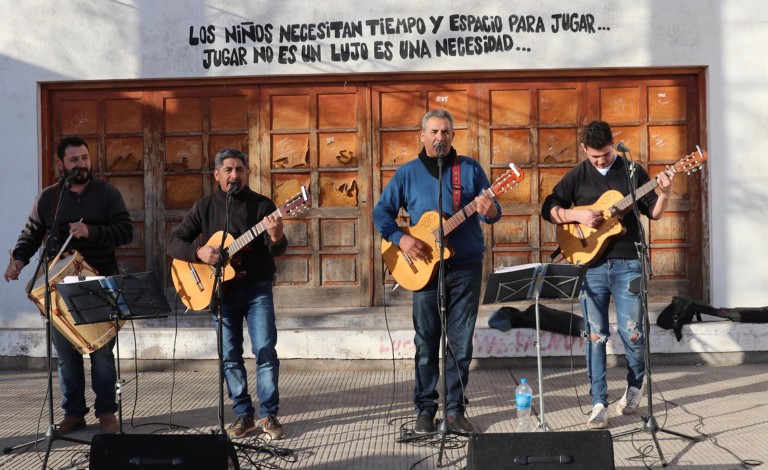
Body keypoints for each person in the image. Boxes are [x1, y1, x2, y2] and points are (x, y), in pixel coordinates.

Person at [373, 110, 501, 435]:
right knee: (426, 342)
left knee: (460, 344)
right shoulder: (407, 173)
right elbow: (381, 212)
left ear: (452, 136)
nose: (439, 137)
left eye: (445, 132)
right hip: (423, 270)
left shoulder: (469, 169)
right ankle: (425, 409)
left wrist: (490, 210)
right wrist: (400, 238)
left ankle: (455, 411)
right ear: (422, 135)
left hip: (466, 267)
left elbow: (492, 212)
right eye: (433, 132)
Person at [541, 120, 674, 429]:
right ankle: (598, 402)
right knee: (595, 335)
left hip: (628, 264)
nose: (601, 161)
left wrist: (665, 192)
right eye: (595, 156)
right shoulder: (577, 175)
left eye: (605, 154)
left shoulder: (632, 171)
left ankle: (635, 386)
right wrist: (576, 214)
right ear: (584, 149)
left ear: (614, 145)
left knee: (633, 333)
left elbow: (654, 212)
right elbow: (549, 207)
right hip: (591, 267)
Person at [4, 136, 134, 434]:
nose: (81, 164)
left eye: (85, 158)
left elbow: (125, 232)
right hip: (58, 290)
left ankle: (106, 412)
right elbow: (31, 234)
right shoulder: (49, 198)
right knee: (66, 357)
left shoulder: (107, 194)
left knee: (102, 354)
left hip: (99, 284)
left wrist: (91, 231)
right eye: (74, 160)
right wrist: (19, 260)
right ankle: (73, 414)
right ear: (60, 164)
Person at [167, 148, 287, 440]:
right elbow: (174, 242)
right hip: (221, 292)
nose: (235, 175)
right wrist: (199, 252)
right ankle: (243, 414)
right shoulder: (205, 207)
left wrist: (276, 236)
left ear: (247, 173)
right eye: (229, 170)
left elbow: (278, 249)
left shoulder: (262, 205)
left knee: (265, 351)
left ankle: (268, 414)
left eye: (240, 169)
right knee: (230, 355)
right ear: (217, 175)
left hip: (257, 289)